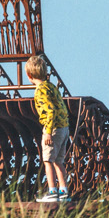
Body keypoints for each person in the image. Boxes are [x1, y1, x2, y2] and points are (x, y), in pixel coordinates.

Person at [28, 54, 70, 203]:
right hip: (64, 128)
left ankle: (52, 191)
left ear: (29, 76)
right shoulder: (51, 86)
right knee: (59, 161)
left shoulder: (40, 90)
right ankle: (64, 191)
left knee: (48, 160)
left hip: (53, 129)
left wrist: (47, 131)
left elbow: (49, 111)